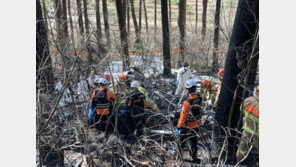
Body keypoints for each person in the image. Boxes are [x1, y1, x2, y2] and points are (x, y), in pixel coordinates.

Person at [175, 79, 203, 163]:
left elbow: (183, 117)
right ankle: (194, 157)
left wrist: (178, 127)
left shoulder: (187, 103)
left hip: (188, 126)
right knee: (193, 141)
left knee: (181, 141)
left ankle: (178, 156)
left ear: (187, 90)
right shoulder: (199, 98)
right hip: (197, 124)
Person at [236, 84, 259, 164]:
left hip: (247, 130)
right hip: (258, 134)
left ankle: (238, 162)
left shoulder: (248, 100)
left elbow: (241, 110)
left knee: (243, 148)